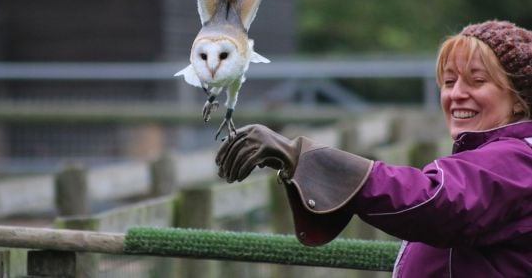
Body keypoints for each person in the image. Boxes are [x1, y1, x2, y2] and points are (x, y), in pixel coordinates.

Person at [216, 20, 532, 276]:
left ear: (518, 99)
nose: (457, 94)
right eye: (449, 82)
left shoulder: (515, 159)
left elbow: (434, 199)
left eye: (476, 81)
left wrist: (303, 159)